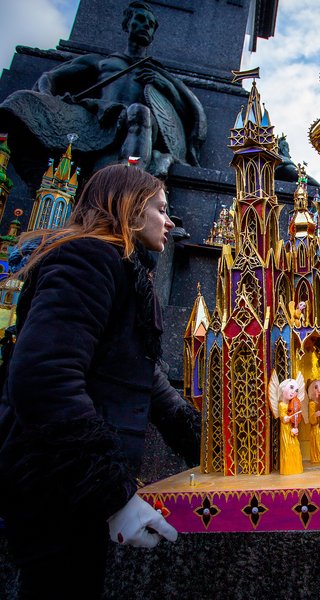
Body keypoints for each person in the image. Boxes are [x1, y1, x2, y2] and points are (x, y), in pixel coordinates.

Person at [0, 163, 201, 599]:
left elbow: (146, 382)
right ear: (129, 207)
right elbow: (44, 378)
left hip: (77, 489)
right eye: (161, 209)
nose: (169, 222)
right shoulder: (87, 258)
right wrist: (113, 495)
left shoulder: (121, 270)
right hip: (57, 486)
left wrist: (209, 447)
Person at [0, 1, 206, 178]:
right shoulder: (102, 63)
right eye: (140, 20)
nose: (145, 26)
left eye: (150, 25)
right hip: (102, 117)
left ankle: (130, 182)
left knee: (139, 111)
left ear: (153, 34)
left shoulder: (157, 73)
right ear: (127, 24)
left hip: (138, 122)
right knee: (19, 99)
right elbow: (50, 78)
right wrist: (48, 99)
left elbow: (187, 114)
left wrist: (165, 85)